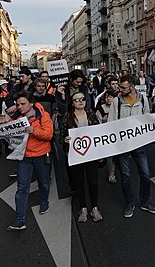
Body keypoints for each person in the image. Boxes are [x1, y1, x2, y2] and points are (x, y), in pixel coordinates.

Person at [109, 74, 155, 218]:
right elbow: (111, 123)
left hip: (138, 144)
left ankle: (145, 202)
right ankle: (129, 203)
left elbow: (146, 118)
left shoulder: (143, 99)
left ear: (131, 87)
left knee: (145, 174)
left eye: (123, 87)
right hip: (123, 145)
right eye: (120, 86)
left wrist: (153, 118)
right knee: (125, 176)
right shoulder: (116, 102)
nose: (120, 89)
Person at [6, 93, 53, 231]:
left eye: (23, 104)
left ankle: (44, 201)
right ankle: (20, 219)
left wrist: (34, 130)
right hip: (24, 157)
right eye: (18, 104)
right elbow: (6, 132)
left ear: (31, 103)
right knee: (22, 188)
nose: (20, 107)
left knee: (44, 182)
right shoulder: (16, 118)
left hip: (42, 154)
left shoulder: (43, 116)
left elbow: (49, 135)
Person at [59, 92, 103, 223]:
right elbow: (60, 137)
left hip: (91, 155)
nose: (80, 101)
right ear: (72, 103)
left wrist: (101, 153)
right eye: (76, 100)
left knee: (93, 181)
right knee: (78, 183)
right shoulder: (66, 118)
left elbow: (99, 135)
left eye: (82, 99)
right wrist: (65, 140)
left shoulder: (92, 115)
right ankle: (83, 208)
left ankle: (94, 207)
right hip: (75, 156)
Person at [94, 90, 118, 184]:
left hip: (117, 134)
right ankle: (111, 174)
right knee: (110, 156)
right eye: (107, 97)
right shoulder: (101, 109)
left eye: (111, 97)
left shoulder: (118, 107)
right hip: (106, 136)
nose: (108, 99)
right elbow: (98, 122)